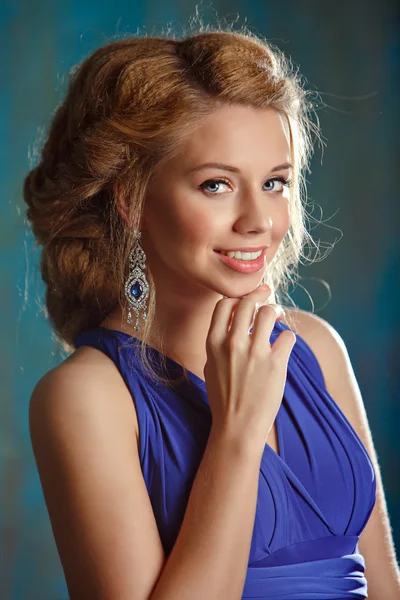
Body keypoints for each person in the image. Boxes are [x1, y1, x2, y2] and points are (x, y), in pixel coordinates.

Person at [23, 26, 400, 600]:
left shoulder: (316, 347)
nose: (259, 220)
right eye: (217, 184)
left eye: (275, 182)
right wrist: (236, 432)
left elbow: (383, 585)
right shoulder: (87, 398)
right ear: (131, 199)